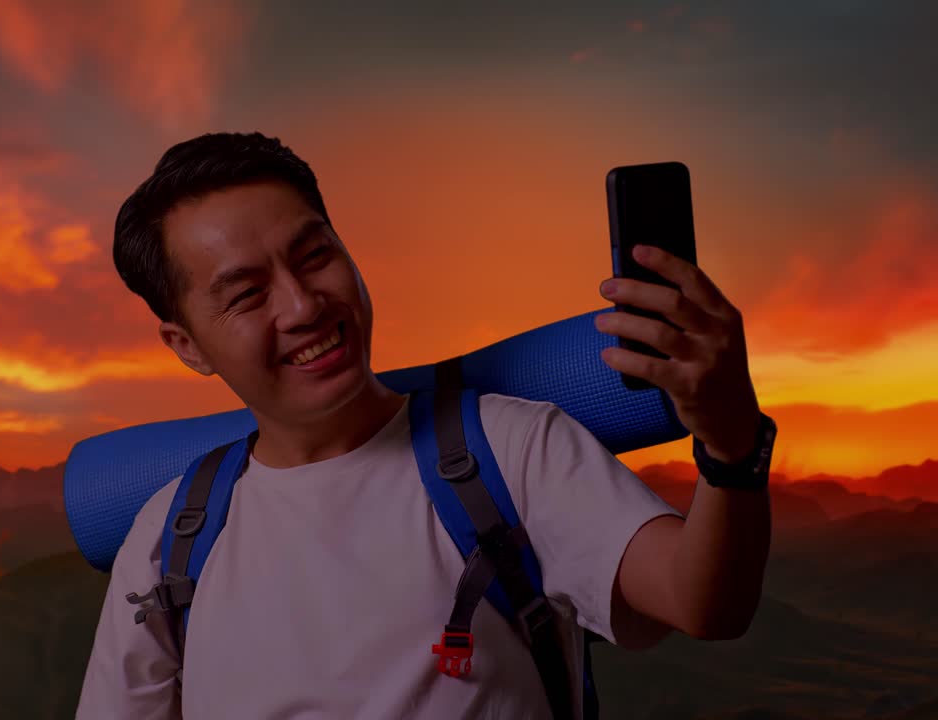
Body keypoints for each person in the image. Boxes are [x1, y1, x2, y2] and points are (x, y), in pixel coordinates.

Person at [76, 132, 772, 719]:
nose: (302, 305)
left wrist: (730, 444)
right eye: (248, 294)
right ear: (187, 345)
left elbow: (702, 600)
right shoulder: (170, 536)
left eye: (315, 255)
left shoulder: (509, 448)